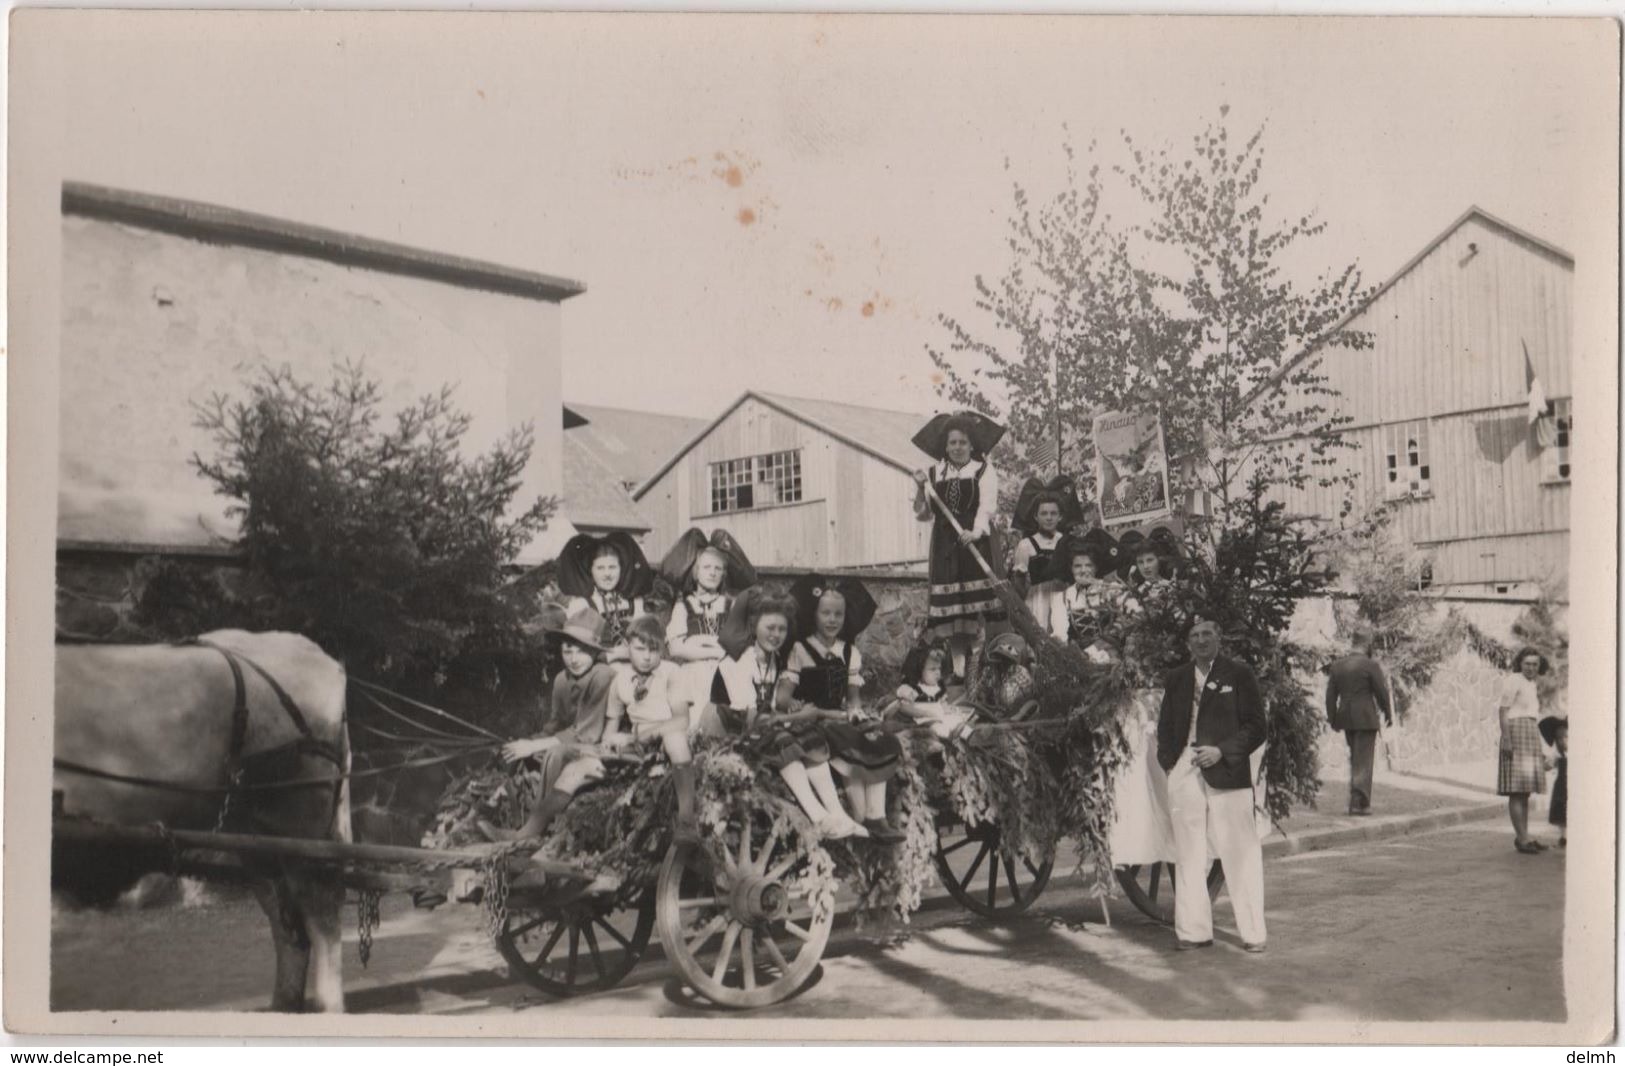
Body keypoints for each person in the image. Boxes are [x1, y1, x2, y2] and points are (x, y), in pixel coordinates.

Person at [713, 589, 869, 840]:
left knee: (809, 735)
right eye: (770, 627)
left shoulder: (772, 659)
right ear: (754, 625)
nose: (776, 636)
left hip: (761, 728)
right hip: (730, 733)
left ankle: (838, 814)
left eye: (782, 630)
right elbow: (751, 719)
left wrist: (796, 712)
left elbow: (773, 706)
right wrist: (801, 715)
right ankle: (818, 815)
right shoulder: (738, 662)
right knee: (784, 737)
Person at [1156, 615, 1268, 953]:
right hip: (1185, 771)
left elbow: (1256, 726)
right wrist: (1170, 762)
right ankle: (1193, 932)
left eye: (1207, 633)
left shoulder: (1238, 674)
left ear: (1219, 638)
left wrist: (1222, 751)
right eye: (1194, 635)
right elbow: (1165, 726)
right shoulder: (1177, 679)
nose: (1201, 640)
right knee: (1188, 853)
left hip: (1227, 772)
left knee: (1241, 851)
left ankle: (1253, 933)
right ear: (1187, 642)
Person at [782, 574, 906, 844]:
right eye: (825, 613)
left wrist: (856, 710)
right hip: (811, 719)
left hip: (838, 716)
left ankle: (876, 815)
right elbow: (785, 695)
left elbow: (852, 697)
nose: (832, 620)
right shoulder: (800, 649)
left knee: (879, 736)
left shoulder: (849, 652)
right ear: (814, 615)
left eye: (838, 614)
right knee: (845, 738)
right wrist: (789, 702)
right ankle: (861, 815)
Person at [478, 608, 618, 844]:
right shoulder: (562, 679)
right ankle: (509, 814)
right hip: (574, 741)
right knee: (522, 754)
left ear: (595, 651)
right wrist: (529, 742)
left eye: (582, 652)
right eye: (567, 651)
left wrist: (537, 746)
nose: (573, 659)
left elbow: (587, 733)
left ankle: (533, 830)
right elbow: (556, 724)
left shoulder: (603, 675)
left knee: (555, 753)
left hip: (600, 745)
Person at [911, 412, 1006, 680]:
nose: (957, 448)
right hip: (945, 548)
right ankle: (959, 672)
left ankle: (979, 669)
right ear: (945, 446)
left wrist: (975, 532)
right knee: (952, 615)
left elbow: (987, 506)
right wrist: (920, 488)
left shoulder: (983, 470)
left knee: (975, 610)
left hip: (975, 544)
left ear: (972, 444)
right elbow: (923, 513)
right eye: (952, 443)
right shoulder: (932, 474)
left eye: (962, 442)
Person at [600, 615, 700, 844]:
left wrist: (637, 737)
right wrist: (609, 742)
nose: (646, 656)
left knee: (675, 739)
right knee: (579, 769)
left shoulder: (672, 672)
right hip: (636, 745)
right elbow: (611, 727)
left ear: (663, 649)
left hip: (667, 737)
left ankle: (687, 819)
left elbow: (681, 721)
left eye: (653, 650)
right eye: (639, 648)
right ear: (628, 647)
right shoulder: (621, 679)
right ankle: (530, 831)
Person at [661, 528, 756, 730]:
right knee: (696, 699)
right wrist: (716, 648)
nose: (712, 572)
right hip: (694, 670)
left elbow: (738, 644)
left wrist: (699, 641)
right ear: (696, 572)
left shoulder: (731, 604)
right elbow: (676, 648)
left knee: (738, 692)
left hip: (729, 668)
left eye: (717, 568)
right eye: (706, 567)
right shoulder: (684, 605)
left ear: (723, 574)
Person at [1325, 630, 1394, 816]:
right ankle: (1358, 802)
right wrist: (1388, 713)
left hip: (1346, 717)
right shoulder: (1370, 665)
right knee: (1363, 760)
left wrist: (1332, 718)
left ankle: (1358, 798)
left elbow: (1330, 695)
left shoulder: (1338, 666)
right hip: (1365, 717)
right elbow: (1381, 691)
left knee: (1356, 758)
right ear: (1366, 644)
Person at [558, 532, 653, 663]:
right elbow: (579, 651)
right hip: (600, 666)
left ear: (621, 569)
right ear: (591, 571)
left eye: (612, 567)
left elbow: (646, 639)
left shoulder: (634, 601)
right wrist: (616, 654)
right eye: (600, 568)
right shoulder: (582, 604)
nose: (607, 574)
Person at [1498, 647, 1550, 855]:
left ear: (1539, 666)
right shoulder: (1514, 680)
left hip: (1529, 733)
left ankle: (1525, 837)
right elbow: (1502, 711)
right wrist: (1507, 739)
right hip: (1515, 733)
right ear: (1520, 663)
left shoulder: (1532, 684)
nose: (1530, 667)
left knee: (1525, 791)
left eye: (1534, 664)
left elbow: (1531, 716)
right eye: (1527, 663)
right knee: (1517, 790)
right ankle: (1521, 838)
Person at [1010, 478, 1079, 628]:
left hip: (1064, 596)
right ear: (1036, 517)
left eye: (1053, 513)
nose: (1049, 518)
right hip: (1038, 599)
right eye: (1044, 513)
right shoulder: (1026, 545)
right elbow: (1019, 582)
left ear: (1060, 516)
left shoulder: (1068, 542)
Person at [1049, 539, 1124, 659]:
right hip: (1081, 658)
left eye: (1089, 565)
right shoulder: (1062, 598)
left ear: (1096, 568)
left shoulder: (1112, 590)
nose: (1083, 570)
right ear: (1071, 568)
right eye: (1077, 566)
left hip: (1114, 654)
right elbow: (1060, 635)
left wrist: (1094, 650)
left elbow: (1124, 624)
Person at [1539, 714, 1567, 849]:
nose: (1563, 742)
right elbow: (1548, 766)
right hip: (1561, 788)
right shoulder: (1557, 754)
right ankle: (1564, 836)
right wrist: (1542, 761)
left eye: (1566, 737)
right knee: (1561, 814)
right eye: (1559, 739)